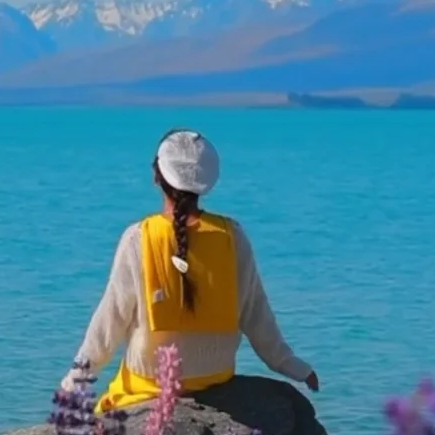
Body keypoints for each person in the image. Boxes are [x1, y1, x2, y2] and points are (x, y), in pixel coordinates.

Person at [62, 128, 320, 413]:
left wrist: (75, 381)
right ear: (207, 183)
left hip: (151, 383)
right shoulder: (231, 236)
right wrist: (295, 367)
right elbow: (257, 316)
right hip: (215, 377)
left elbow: (110, 321)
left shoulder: (139, 238)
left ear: (156, 176)